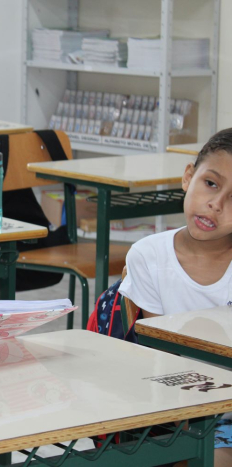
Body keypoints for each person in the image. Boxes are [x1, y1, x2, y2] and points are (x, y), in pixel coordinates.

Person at [120, 128, 232, 467]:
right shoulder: (150, 257)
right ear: (188, 177)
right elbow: (163, 362)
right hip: (184, 412)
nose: (217, 204)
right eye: (211, 183)